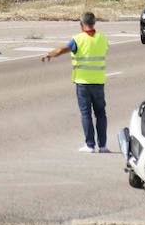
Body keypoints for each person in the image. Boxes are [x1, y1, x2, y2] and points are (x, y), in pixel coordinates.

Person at [41, 12, 110, 153]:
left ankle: (90, 145)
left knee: (86, 114)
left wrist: (49, 54)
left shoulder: (78, 39)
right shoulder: (102, 38)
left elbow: (62, 50)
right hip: (98, 82)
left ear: (81, 24)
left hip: (83, 83)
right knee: (101, 114)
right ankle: (103, 145)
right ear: (94, 22)